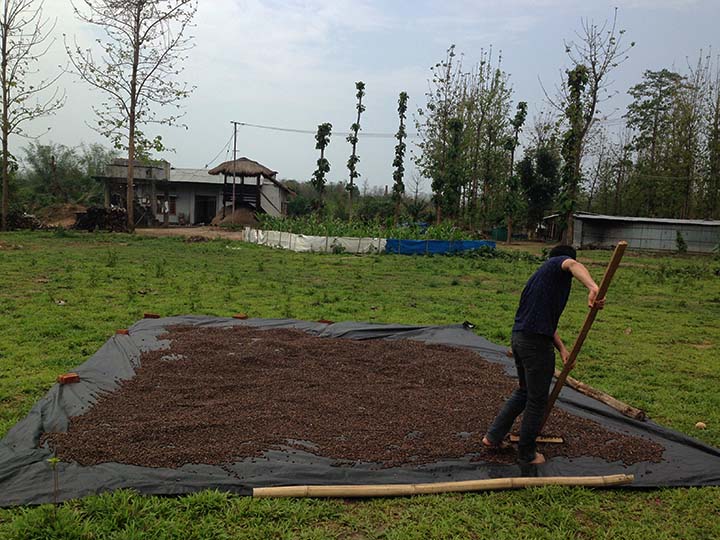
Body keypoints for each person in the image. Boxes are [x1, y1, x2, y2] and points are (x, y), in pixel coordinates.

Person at [482, 245, 605, 465]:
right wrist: (593, 286)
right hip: (535, 345)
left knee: (524, 392)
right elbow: (572, 264)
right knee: (537, 400)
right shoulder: (556, 265)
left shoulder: (539, 281)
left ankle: (493, 437)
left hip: (521, 338)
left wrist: (562, 349)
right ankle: (527, 454)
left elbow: (543, 321)